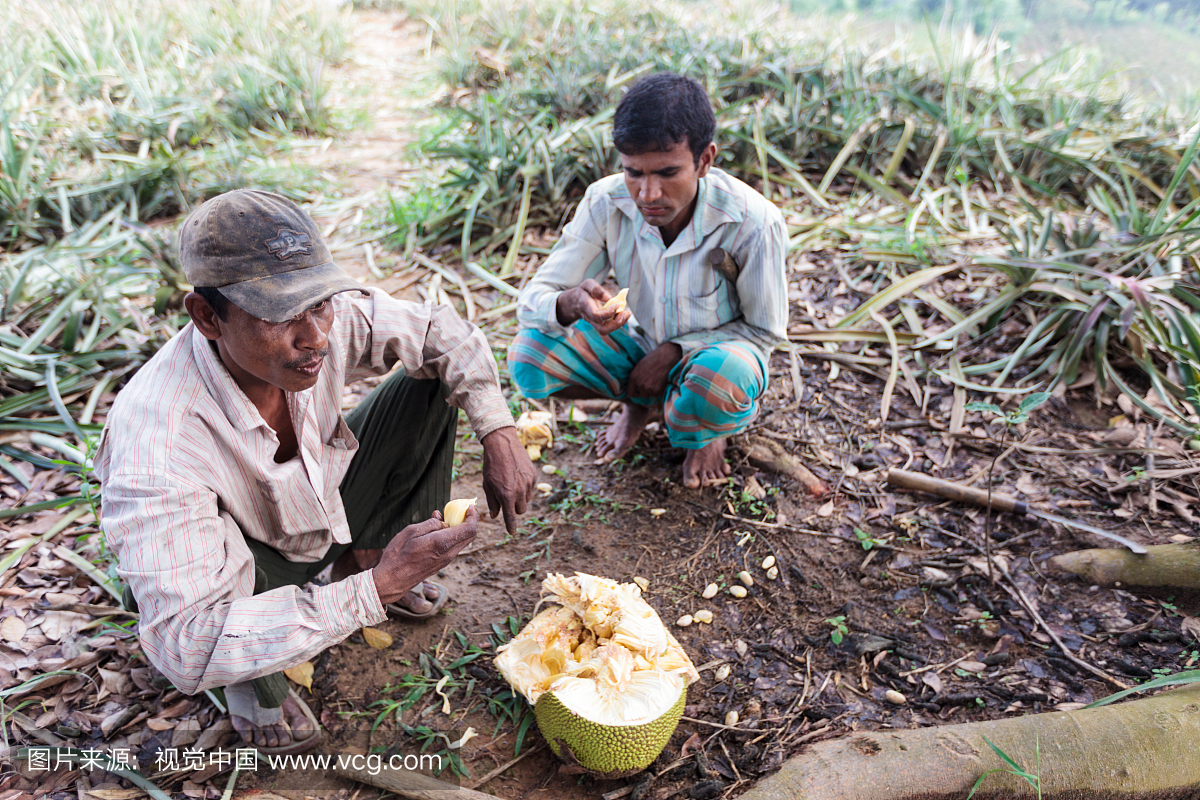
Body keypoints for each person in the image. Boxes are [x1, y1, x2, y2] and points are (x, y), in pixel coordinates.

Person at [94, 189, 538, 754]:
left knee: (424, 386)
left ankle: (366, 553)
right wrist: (379, 590)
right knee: (221, 626)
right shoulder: (157, 442)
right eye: (278, 314)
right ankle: (257, 689)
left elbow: (440, 332)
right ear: (207, 316)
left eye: (320, 304)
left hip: (318, 509)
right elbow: (186, 644)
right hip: (248, 563)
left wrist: (500, 433)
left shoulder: (315, 328)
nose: (316, 337)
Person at [509, 72, 788, 489]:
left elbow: (764, 332)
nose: (647, 194)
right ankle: (639, 407)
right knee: (530, 352)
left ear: (705, 160)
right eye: (633, 172)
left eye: (667, 172)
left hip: (718, 356)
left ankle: (710, 432)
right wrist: (571, 303)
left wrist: (677, 350)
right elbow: (534, 297)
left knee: (720, 378)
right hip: (640, 344)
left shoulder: (753, 222)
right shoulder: (606, 201)